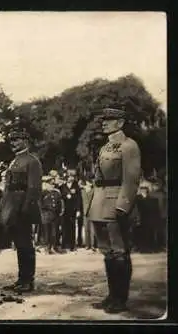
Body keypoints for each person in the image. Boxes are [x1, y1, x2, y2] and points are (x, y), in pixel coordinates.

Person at [87, 107, 141, 314]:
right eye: (104, 120)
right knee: (107, 252)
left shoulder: (129, 146)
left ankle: (121, 298)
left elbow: (132, 178)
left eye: (109, 120)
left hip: (115, 201)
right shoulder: (105, 147)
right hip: (100, 201)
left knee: (119, 252)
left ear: (120, 123)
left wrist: (123, 205)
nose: (104, 123)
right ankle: (111, 295)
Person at [0, 120, 42, 293]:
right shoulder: (15, 160)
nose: (13, 143)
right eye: (12, 140)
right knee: (19, 244)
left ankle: (27, 280)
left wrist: (25, 209)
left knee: (25, 244)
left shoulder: (32, 161)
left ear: (26, 141)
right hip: (12, 207)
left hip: (22, 208)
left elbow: (34, 188)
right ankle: (21, 278)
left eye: (17, 140)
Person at [59, 170, 83, 251]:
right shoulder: (62, 186)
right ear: (67, 177)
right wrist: (66, 196)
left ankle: (72, 245)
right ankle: (64, 244)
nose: (71, 178)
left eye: (73, 177)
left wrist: (78, 210)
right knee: (64, 227)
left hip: (73, 210)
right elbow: (60, 196)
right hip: (64, 210)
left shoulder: (76, 186)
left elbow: (79, 199)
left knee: (72, 227)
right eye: (70, 177)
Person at [41, 175, 64, 254]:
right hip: (46, 215)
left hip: (55, 215)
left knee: (54, 233)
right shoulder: (43, 193)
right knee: (46, 232)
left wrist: (60, 212)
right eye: (50, 184)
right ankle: (47, 247)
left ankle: (54, 247)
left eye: (53, 184)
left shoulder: (56, 193)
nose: (52, 186)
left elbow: (60, 204)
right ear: (46, 184)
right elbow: (39, 204)